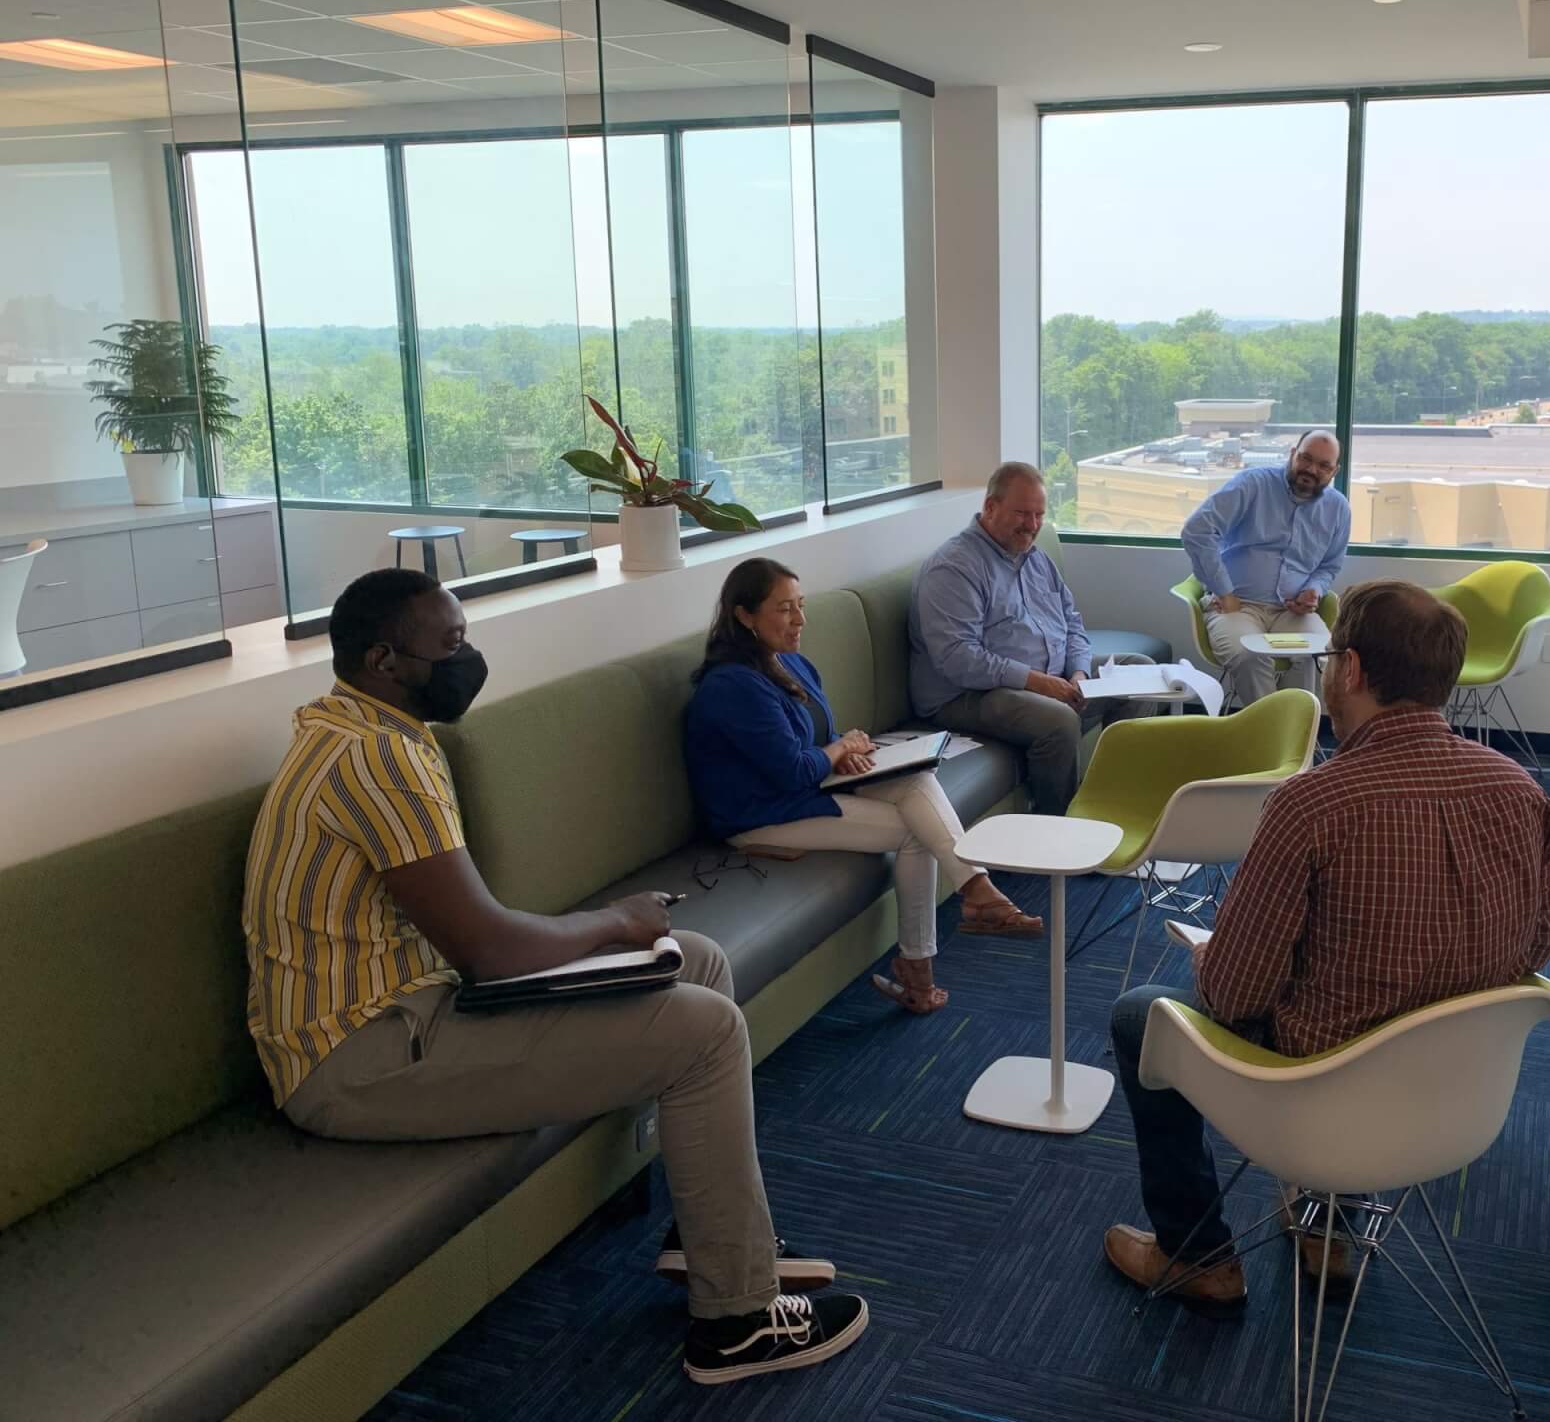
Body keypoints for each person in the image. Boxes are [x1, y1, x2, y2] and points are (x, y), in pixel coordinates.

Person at [242, 568, 867, 1387]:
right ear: (385, 659)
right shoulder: (374, 760)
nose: (470, 659)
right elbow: (490, 950)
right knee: (705, 1031)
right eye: (453, 645)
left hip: (420, 1003)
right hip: (357, 1057)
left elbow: (467, 939)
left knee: (699, 959)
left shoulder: (371, 730)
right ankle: (737, 1321)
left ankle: (707, 1235)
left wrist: (622, 931)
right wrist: (615, 921)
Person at [1102, 580, 1550, 1314]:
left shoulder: (1311, 805)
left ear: (1348, 671)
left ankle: (1198, 1256)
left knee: (1137, 1014)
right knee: (1371, 986)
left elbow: (1233, 996)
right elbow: (1536, 944)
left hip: (1319, 1097)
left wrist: (1211, 951)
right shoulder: (1523, 791)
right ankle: (1329, 1226)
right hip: (1458, 1093)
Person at [685, 558, 1043, 1015]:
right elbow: (792, 769)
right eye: (784, 609)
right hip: (760, 815)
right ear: (744, 615)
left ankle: (973, 896)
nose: (800, 620)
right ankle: (934, 950)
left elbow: (811, 741)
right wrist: (837, 751)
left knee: (916, 776)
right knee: (917, 830)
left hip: (807, 787)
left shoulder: (790, 662)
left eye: (801, 605)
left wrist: (842, 749)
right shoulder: (733, 686)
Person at [909, 461, 1141, 815]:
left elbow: (1072, 623)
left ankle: (1115, 803)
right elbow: (958, 659)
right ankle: (1058, 831)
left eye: (1039, 515)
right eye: (1021, 514)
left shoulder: (1036, 559)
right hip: (967, 695)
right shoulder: (955, 568)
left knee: (1137, 672)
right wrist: (1037, 683)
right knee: (1058, 720)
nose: (1032, 526)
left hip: (1045, 677)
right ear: (990, 507)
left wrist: (1078, 673)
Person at [1180, 430, 1351, 710]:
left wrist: (1315, 589)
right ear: (1293, 453)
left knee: (1322, 654)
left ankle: (1291, 734)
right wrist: (1224, 591)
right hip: (1236, 607)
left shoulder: (1338, 508)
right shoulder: (1253, 484)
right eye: (1306, 458)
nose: (1311, 469)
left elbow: (1329, 565)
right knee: (1249, 656)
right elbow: (1196, 530)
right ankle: (1269, 737)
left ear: (1335, 471)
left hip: (1291, 612)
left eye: (1324, 466)